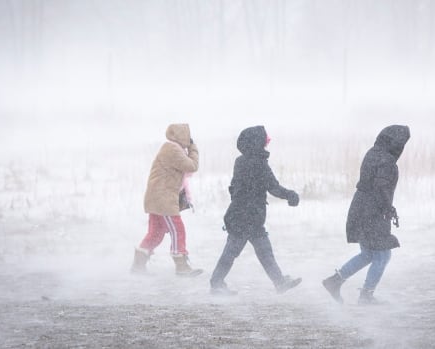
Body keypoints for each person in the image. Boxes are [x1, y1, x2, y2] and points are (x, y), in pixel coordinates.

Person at [323, 125, 410, 305]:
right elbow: (381, 187)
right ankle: (366, 295)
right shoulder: (387, 161)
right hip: (373, 211)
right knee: (383, 255)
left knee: (369, 253)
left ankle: (335, 281)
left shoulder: (373, 153)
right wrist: (388, 208)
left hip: (360, 207)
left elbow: (374, 184)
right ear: (397, 144)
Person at [210, 125, 302, 295]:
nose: (267, 142)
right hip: (248, 216)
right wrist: (291, 196)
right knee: (236, 252)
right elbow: (273, 187)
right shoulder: (259, 163)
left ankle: (279, 281)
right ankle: (216, 284)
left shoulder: (241, 161)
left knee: (258, 251)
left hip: (242, 215)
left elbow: (234, 188)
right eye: (265, 140)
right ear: (257, 142)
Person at [131, 123, 203, 277]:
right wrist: (193, 148)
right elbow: (192, 166)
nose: (189, 139)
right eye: (187, 136)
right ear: (181, 136)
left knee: (156, 233)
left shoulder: (172, 149)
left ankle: (138, 265)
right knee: (177, 229)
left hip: (158, 197)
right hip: (162, 198)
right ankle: (181, 266)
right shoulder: (171, 149)